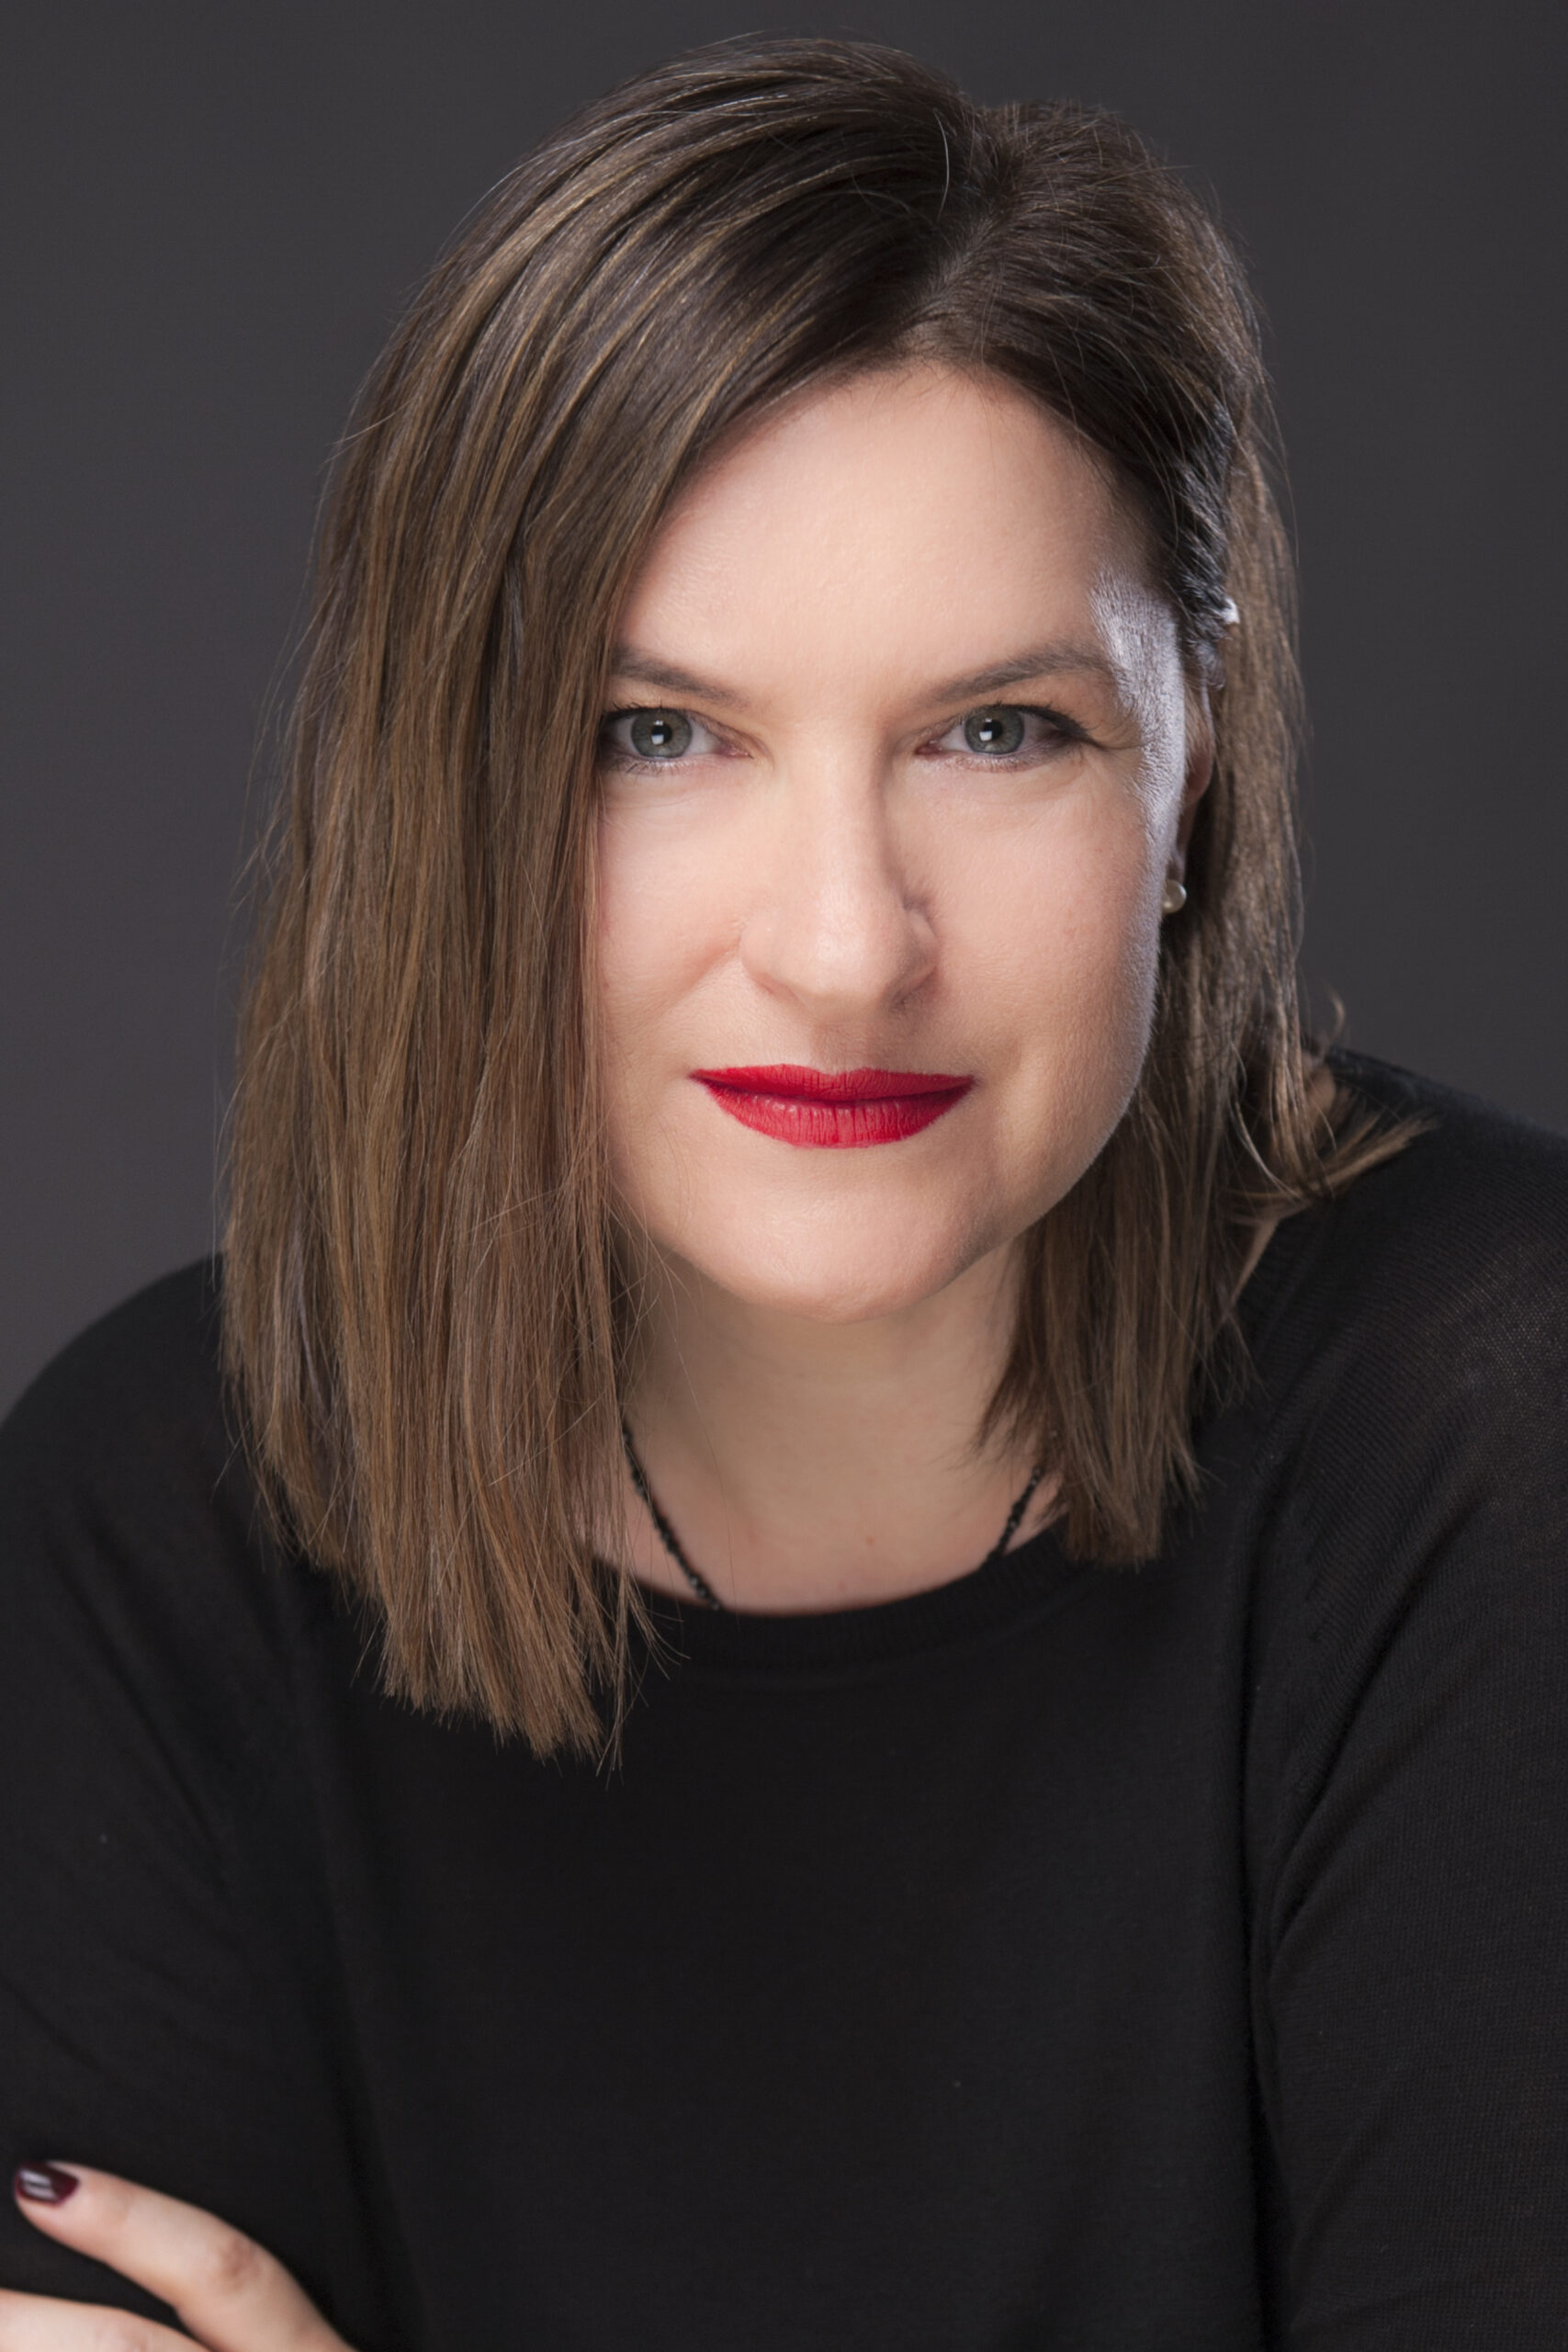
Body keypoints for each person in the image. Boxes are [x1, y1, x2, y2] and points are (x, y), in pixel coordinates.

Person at [2, 33, 1565, 2351]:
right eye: (656, 736)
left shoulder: (1495, 1425)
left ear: (1189, 771)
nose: (843, 948)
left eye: (996, 731)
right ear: (443, 790)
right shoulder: (152, 1530)